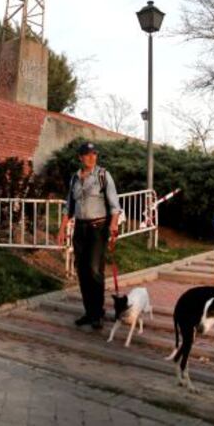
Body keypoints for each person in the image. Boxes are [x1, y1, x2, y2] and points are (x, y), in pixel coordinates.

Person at [57, 141, 120, 330]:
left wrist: (113, 225)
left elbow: (115, 205)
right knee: (82, 271)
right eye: (87, 154)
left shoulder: (103, 175)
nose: (92, 157)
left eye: (94, 154)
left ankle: (98, 313)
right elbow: (69, 206)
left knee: (94, 270)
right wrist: (62, 228)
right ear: (80, 157)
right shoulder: (74, 179)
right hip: (80, 229)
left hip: (97, 228)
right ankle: (89, 312)